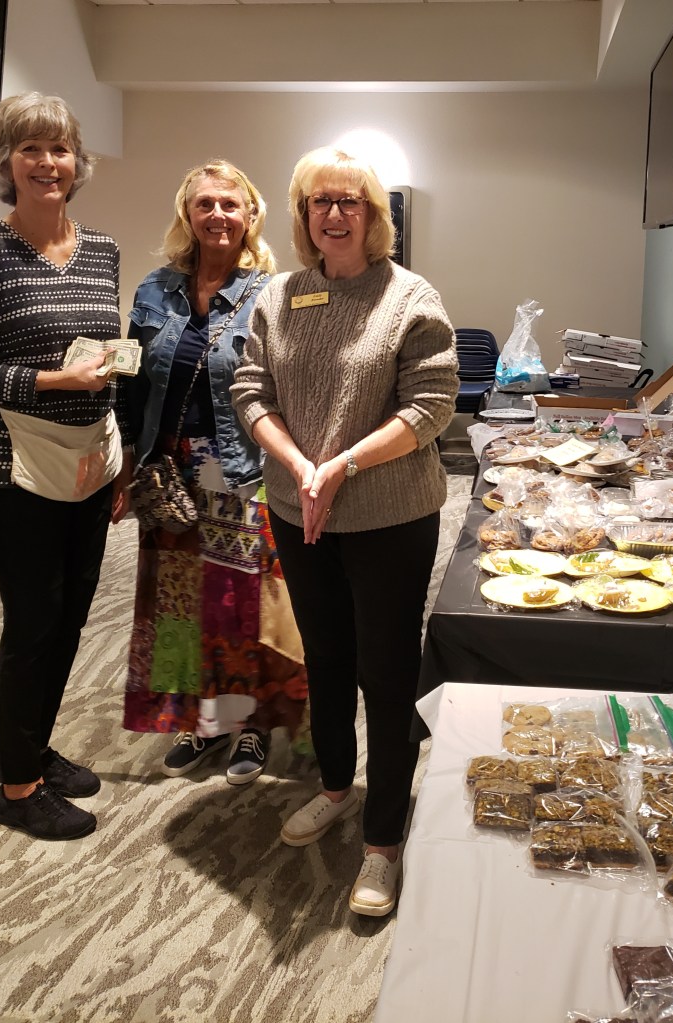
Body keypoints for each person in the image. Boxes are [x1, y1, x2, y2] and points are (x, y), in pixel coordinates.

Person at [231, 146, 458, 916]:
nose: (333, 213)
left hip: (389, 513)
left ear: (372, 214)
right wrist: (302, 466)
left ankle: (383, 839)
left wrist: (342, 466)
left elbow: (430, 406)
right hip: (299, 509)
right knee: (325, 657)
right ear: (302, 215)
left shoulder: (408, 297)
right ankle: (334, 786)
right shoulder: (280, 295)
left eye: (348, 201)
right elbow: (250, 389)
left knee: (386, 673)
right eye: (318, 201)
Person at [0, 92, 132, 840]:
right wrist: (51, 381)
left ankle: (36, 748)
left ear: (78, 162)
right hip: (13, 464)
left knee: (72, 615)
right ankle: (16, 787)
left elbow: (96, 352)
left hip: (88, 460)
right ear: (7, 163)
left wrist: (110, 405)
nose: (48, 163)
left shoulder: (102, 250)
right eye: (31, 149)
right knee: (32, 622)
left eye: (60, 149)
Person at [121, 160, 308, 785]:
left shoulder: (272, 293)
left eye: (230, 204)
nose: (218, 215)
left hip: (240, 468)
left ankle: (249, 724)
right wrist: (127, 459)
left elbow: (288, 386)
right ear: (188, 214)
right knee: (179, 602)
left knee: (242, 602)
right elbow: (132, 382)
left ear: (250, 214)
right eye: (205, 204)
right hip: (168, 471)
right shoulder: (155, 290)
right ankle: (199, 722)